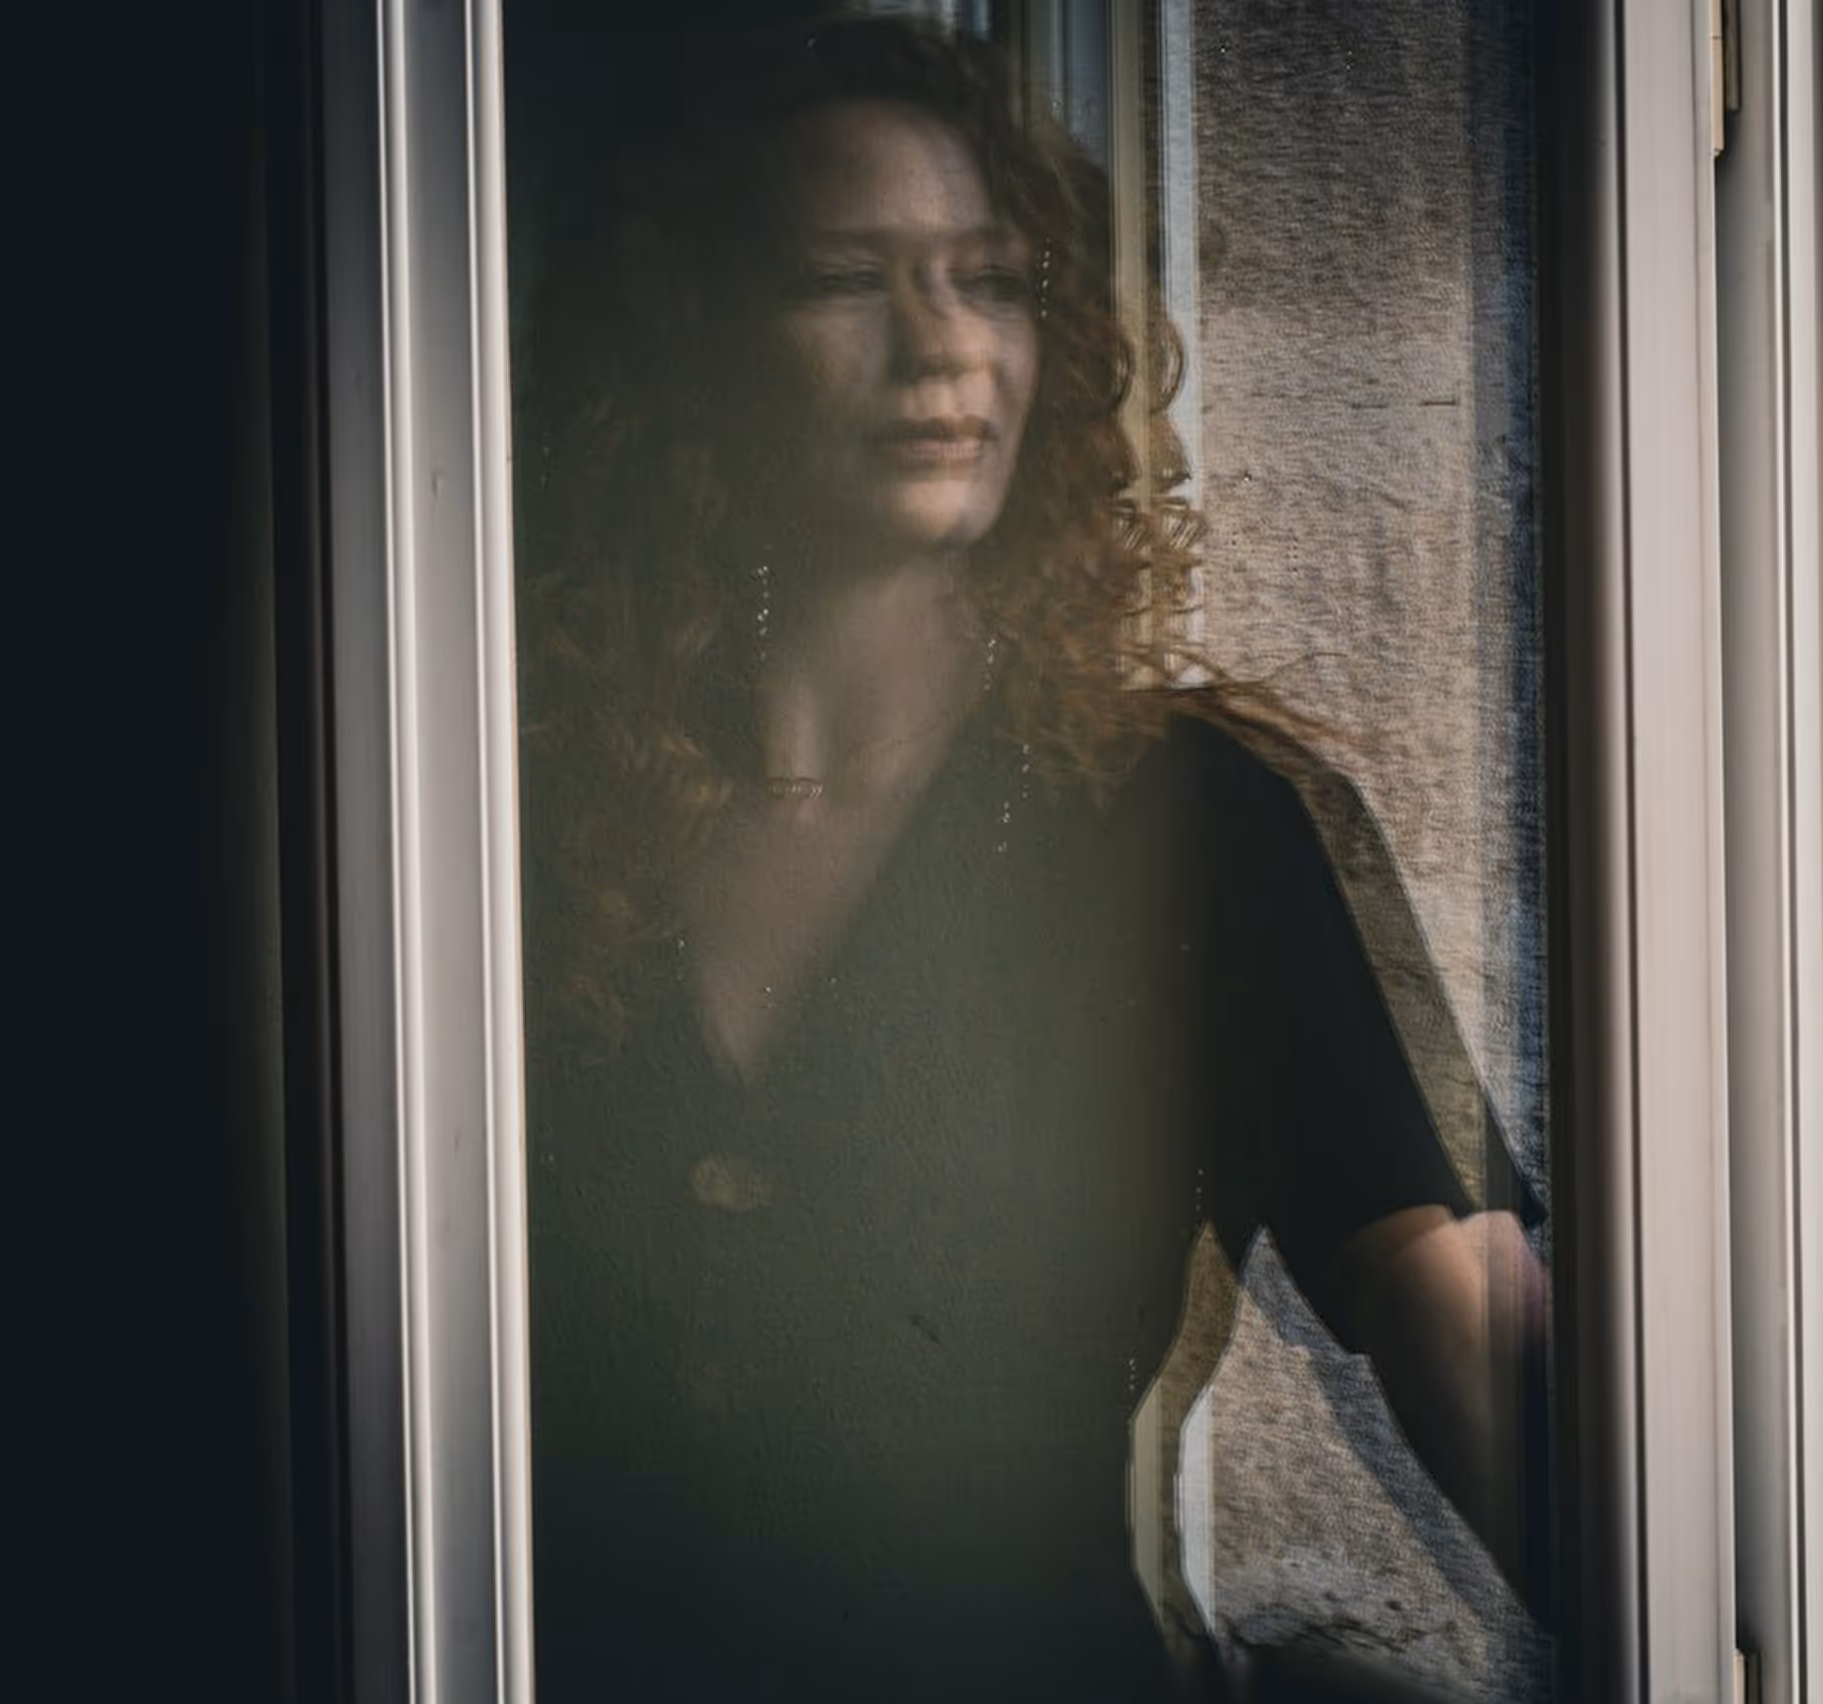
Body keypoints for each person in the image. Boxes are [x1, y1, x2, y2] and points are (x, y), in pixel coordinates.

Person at [517, 17, 1547, 1700]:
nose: (941, 351)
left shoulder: (1192, 823)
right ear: (688, 343)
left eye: (987, 279)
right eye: (842, 279)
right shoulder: (518, 822)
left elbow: (1469, 1324)